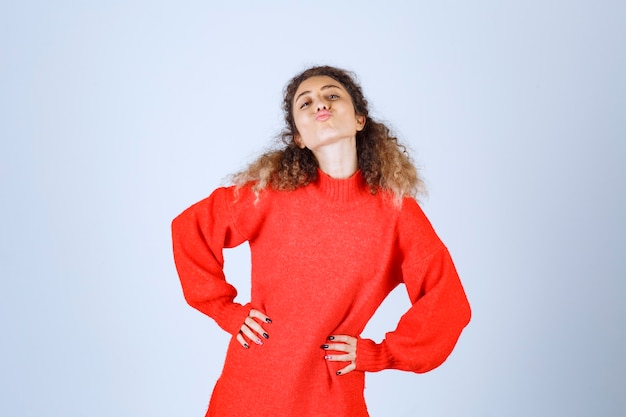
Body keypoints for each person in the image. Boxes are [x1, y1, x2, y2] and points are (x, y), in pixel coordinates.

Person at [171, 65, 471, 417]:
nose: (319, 105)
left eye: (332, 95)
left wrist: (379, 353)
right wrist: (224, 310)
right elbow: (189, 229)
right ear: (298, 136)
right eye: (305, 103)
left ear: (359, 119)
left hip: (331, 397)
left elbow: (447, 302)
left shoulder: (397, 214)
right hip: (250, 390)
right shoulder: (269, 194)